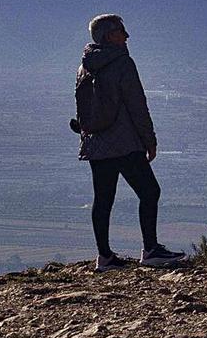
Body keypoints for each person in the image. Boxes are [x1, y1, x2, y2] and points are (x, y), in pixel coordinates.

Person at [74, 14, 186, 270]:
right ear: (109, 36)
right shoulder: (123, 63)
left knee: (103, 199)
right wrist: (150, 139)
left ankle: (104, 257)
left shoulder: (85, 66)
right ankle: (151, 249)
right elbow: (137, 105)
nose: (126, 36)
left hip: (96, 144)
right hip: (124, 142)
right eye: (121, 31)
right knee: (150, 191)